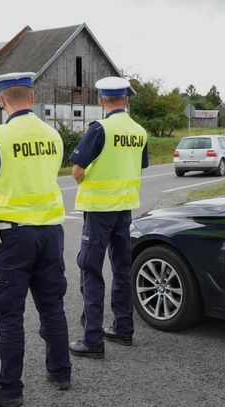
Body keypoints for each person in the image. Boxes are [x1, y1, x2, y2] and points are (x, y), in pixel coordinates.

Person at [0, 72, 71, 407]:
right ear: (33, 97)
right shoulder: (54, 135)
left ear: (2, 100)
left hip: (11, 236)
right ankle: (61, 371)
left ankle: (7, 390)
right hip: (51, 232)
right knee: (52, 305)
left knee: (7, 314)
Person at [68, 76, 148, 359]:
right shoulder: (139, 131)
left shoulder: (99, 128)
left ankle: (92, 341)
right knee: (122, 269)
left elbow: (77, 169)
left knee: (91, 270)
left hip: (99, 211)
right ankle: (123, 329)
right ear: (126, 99)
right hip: (124, 209)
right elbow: (139, 165)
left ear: (101, 101)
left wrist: (88, 180)